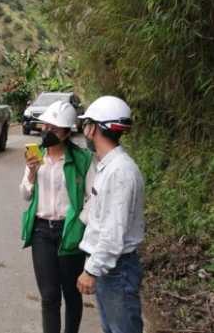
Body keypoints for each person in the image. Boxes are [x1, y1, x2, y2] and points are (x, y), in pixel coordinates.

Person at [20, 101, 95, 333]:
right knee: (49, 296)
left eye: (54, 129)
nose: (47, 132)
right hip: (42, 231)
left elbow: (93, 198)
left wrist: (79, 222)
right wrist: (31, 173)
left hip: (69, 231)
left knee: (72, 295)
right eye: (46, 126)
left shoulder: (83, 159)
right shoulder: (36, 157)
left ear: (66, 132)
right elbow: (25, 194)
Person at [76, 96, 145, 333]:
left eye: (87, 124)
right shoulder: (107, 166)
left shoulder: (120, 172)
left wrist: (91, 270)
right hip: (111, 268)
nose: (84, 130)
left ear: (94, 128)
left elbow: (113, 232)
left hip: (117, 270)